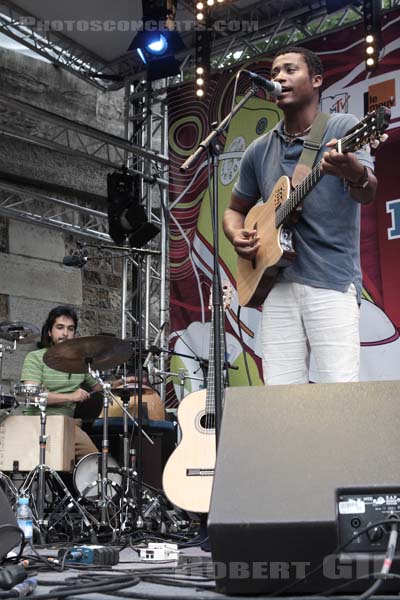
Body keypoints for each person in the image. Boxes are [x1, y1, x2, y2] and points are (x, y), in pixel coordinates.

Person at [223, 46, 376, 385]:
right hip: (277, 286)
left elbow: (367, 191)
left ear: (317, 80)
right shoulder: (259, 149)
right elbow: (234, 210)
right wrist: (237, 235)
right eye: (275, 71)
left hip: (331, 281)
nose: (279, 77)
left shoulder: (343, 127)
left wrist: (352, 169)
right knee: (282, 401)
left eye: (290, 70)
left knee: (340, 393)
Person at [21, 305, 134, 460]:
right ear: (49, 331)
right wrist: (70, 396)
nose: (65, 333)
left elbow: (99, 387)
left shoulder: (80, 362)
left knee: (94, 463)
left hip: (68, 425)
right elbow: (32, 396)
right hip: (37, 423)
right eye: (60, 327)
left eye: (70, 328)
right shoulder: (34, 358)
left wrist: (124, 381)